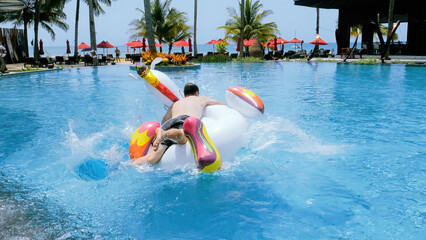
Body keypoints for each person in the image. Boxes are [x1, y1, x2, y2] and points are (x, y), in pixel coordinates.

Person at [131, 83, 225, 165]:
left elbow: (164, 120)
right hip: (184, 120)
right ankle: (165, 134)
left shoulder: (176, 103)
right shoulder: (201, 99)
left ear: (185, 94)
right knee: (182, 137)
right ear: (196, 93)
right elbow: (221, 105)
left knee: (151, 159)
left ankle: (131, 164)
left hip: (168, 124)